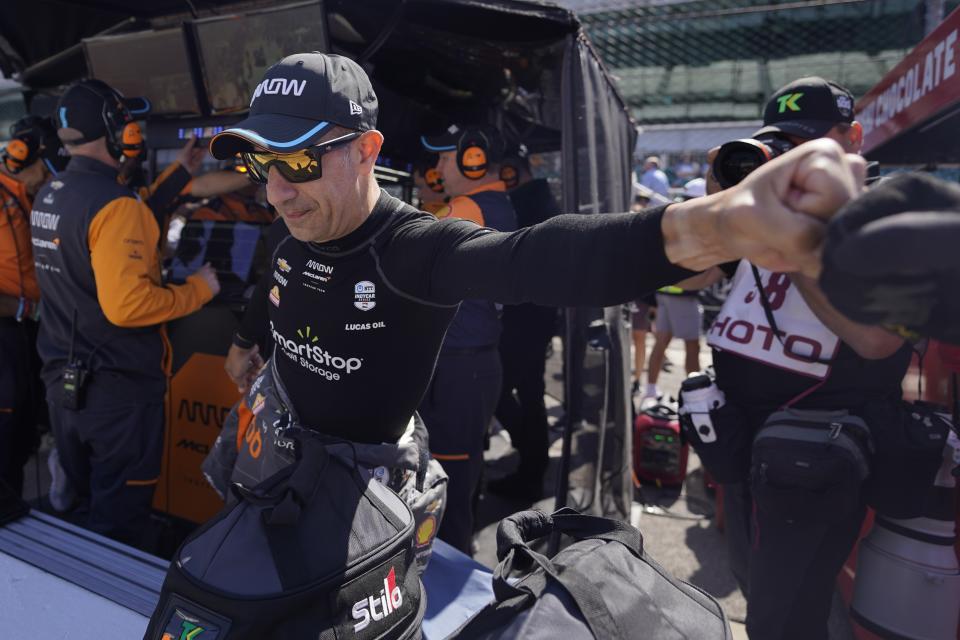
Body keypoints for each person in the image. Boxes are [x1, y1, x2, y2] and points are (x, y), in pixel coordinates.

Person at [210, 52, 867, 566]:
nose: (275, 191)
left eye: (296, 161)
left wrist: (716, 227)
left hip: (354, 521)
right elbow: (277, 297)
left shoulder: (413, 247)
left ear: (366, 151)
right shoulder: (289, 228)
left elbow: (534, 257)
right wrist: (251, 349)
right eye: (260, 163)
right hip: (267, 478)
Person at [705, 77, 910, 640]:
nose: (800, 158)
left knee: (782, 620)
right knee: (756, 586)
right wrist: (714, 198)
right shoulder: (763, 208)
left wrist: (792, 249)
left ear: (854, 139)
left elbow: (878, 340)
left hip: (812, 454)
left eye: (815, 142)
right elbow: (694, 270)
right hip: (744, 442)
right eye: (786, 144)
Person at [31, 79, 220, 546]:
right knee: (119, 522)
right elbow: (128, 305)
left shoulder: (51, 193)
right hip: (118, 394)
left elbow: (107, 237)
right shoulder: (117, 206)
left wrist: (178, 172)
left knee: (81, 504)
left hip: (65, 387)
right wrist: (198, 289)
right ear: (114, 130)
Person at [413, 123, 518, 551]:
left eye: (443, 157)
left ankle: (451, 565)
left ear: (472, 161)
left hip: (458, 365)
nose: (437, 166)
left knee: (448, 475)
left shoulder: (466, 209)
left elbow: (418, 273)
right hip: (473, 362)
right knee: (463, 469)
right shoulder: (494, 203)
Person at [485, 154, 561, 503]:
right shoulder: (537, 201)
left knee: (499, 392)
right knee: (528, 394)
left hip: (525, 319)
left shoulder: (529, 204)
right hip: (533, 317)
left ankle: (531, 462)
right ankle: (532, 467)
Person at [0, 116, 60, 496]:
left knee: (21, 437)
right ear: (24, 158)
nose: (48, 177)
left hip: (26, 335)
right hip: (6, 332)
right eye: (45, 166)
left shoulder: (26, 196)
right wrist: (24, 309)